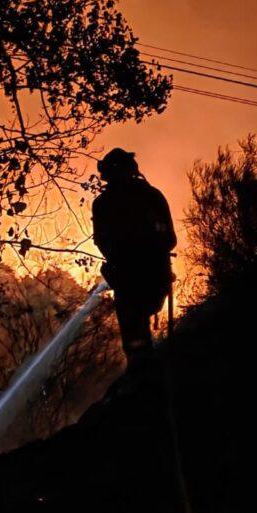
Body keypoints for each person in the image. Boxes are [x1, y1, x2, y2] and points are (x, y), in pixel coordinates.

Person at [92, 148, 176, 366]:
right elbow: (169, 239)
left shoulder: (105, 204)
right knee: (137, 339)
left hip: (138, 279)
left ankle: (144, 370)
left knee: (136, 340)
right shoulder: (151, 196)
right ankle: (147, 369)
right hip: (144, 277)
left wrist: (126, 259)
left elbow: (102, 241)